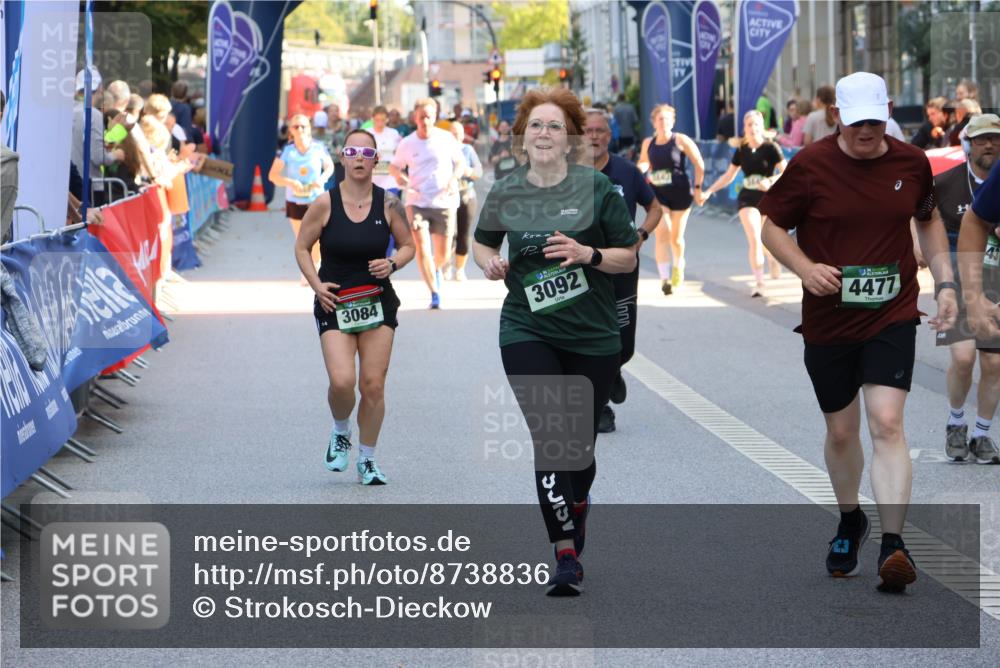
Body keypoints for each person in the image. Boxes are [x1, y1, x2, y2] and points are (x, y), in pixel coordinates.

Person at [760, 72, 957, 593]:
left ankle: (894, 544)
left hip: (891, 312)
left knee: (887, 422)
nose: (866, 131)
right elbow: (772, 227)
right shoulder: (811, 165)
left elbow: (928, 219)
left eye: (874, 120)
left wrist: (946, 283)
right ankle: (850, 520)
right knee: (843, 432)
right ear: (836, 117)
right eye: (855, 122)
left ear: (887, 110)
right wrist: (804, 268)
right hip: (829, 319)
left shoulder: (911, 163)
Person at [472, 87, 640, 596]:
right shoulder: (507, 190)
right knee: (551, 436)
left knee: (579, 448)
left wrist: (589, 254)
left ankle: (578, 501)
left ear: (570, 139)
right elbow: (482, 242)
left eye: (554, 126)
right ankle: (564, 551)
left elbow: (628, 257)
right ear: (523, 138)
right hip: (527, 327)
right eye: (536, 126)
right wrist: (490, 263)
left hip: (593, 335)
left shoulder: (597, 188)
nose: (544, 134)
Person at [295, 129, 416, 485]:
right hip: (334, 301)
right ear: (342, 158)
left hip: (377, 301)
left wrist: (392, 263)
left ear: (376, 160)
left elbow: (408, 246)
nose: (359, 158)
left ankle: (367, 459)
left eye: (366, 152)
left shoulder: (389, 204)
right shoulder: (325, 203)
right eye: (352, 152)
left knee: (373, 385)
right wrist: (316, 285)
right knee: (343, 381)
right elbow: (302, 247)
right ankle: (340, 429)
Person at [581, 107, 663, 434]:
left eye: (600, 130)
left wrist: (641, 235)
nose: (594, 136)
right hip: (584, 267)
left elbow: (654, 207)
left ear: (609, 135)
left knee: (624, 343)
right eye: (588, 130)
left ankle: (614, 369)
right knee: (588, 338)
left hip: (621, 265)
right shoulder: (567, 173)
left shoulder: (627, 171)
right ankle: (600, 406)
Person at [948, 115, 1000, 465]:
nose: (990, 144)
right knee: (964, 358)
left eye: (996, 138)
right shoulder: (947, 182)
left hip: (997, 281)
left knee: (993, 362)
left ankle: (981, 434)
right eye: (982, 139)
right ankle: (955, 422)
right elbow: (920, 220)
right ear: (968, 143)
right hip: (963, 279)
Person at [389, 98, 465, 309]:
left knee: (443, 253)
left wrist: (454, 178)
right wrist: (401, 179)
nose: (425, 121)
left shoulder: (446, 138)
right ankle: (434, 293)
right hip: (417, 202)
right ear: (415, 118)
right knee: (422, 247)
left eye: (429, 116)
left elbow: (460, 162)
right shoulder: (407, 143)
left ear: (435, 117)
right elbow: (394, 167)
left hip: (444, 201)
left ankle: (437, 268)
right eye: (421, 117)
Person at [701, 110, 787, 296]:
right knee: (755, 238)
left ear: (762, 127)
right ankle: (759, 282)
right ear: (744, 129)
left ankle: (772, 258)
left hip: (768, 197)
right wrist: (709, 191)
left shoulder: (771, 148)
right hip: (747, 198)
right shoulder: (742, 150)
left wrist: (770, 180)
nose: (753, 128)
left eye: (756, 124)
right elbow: (728, 176)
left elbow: (787, 172)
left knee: (766, 241)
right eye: (749, 125)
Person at [637, 104, 705, 294]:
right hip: (658, 194)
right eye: (660, 119)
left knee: (676, 238)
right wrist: (640, 169)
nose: (664, 122)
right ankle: (664, 279)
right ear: (654, 122)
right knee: (662, 232)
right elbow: (644, 162)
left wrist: (698, 188)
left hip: (681, 193)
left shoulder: (681, 140)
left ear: (673, 122)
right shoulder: (648, 143)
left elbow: (699, 163)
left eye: (667, 119)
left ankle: (679, 264)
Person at [268, 114, 336, 276]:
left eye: (303, 126)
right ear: (291, 130)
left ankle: (317, 267)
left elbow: (329, 167)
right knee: (302, 239)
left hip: (316, 200)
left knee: (318, 238)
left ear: (309, 128)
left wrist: (321, 179)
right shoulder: (287, 150)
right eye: (295, 126)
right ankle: (307, 272)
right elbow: (273, 176)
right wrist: (290, 182)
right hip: (295, 200)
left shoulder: (318, 147)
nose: (299, 129)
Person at [448, 121, 483, 281]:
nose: (455, 135)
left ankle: (459, 269)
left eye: (458, 133)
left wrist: (467, 171)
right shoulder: (443, 150)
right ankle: (446, 265)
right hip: (447, 197)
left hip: (466, 196)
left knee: (463, 234)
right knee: (449, 233)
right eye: (452, 132)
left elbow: (479, 172)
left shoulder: (468, 150)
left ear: (463, 135)